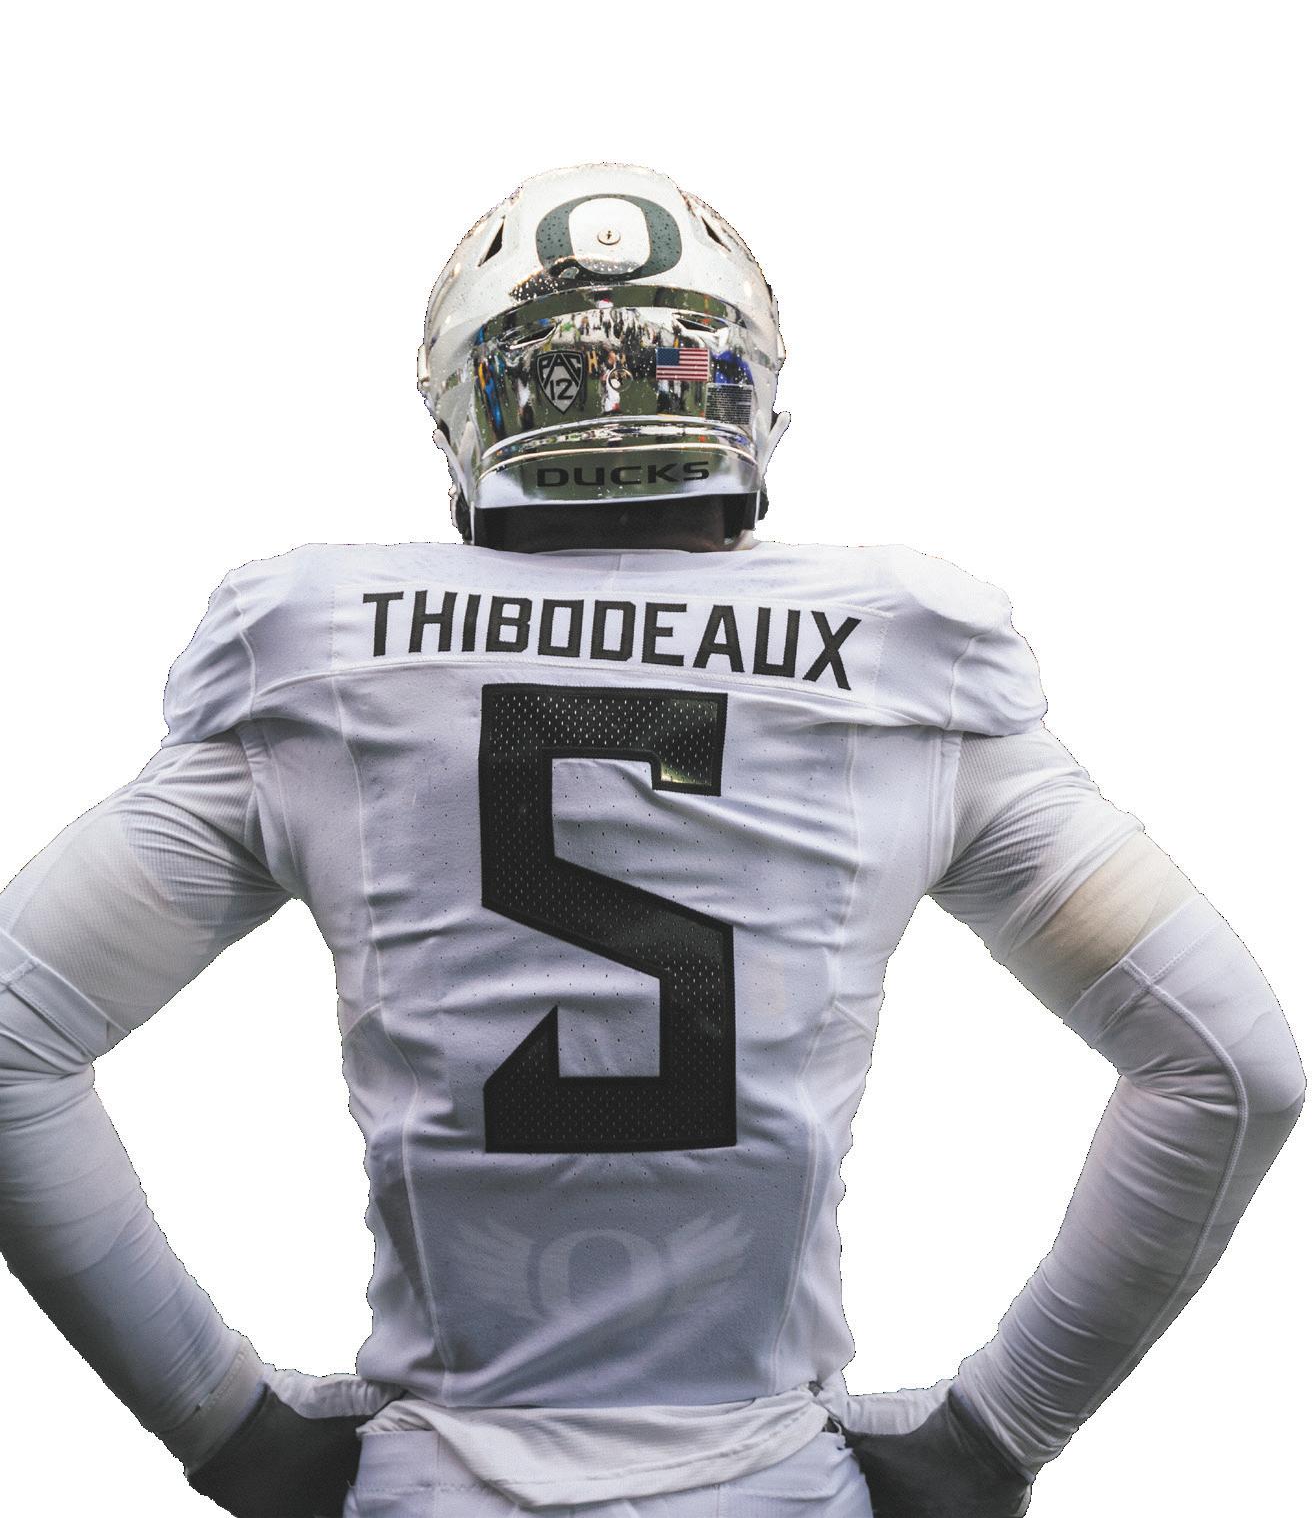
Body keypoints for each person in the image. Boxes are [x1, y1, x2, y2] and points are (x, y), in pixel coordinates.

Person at [0, 162, 1302, 1518]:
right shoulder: (902, 653)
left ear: (468, 401)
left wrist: (224, 1425)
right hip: (772, 1487)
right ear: (743, 393)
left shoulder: (323, 649)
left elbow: (10, 1038)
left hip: (441, 1487)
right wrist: (995, 1432)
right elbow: (1227, 1067)